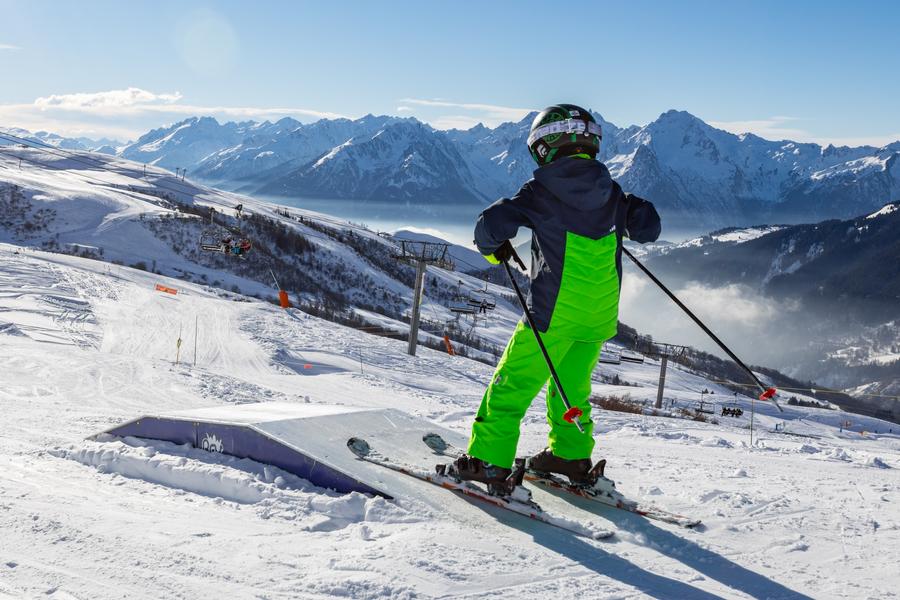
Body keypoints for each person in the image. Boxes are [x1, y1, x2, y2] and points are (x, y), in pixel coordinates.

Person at [451, 104, 661, 486]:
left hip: (553, 314)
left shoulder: (541, 191)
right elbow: (649, 228)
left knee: (511, 385)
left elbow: (490, 225)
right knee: (571, 388)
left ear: (543, 147)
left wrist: (492, 247)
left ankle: (488, 461)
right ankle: (570, 455)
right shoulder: (612, 193)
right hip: (599, 316)